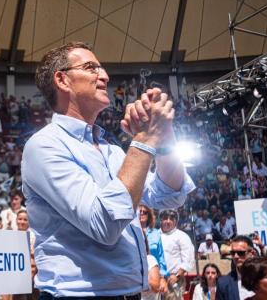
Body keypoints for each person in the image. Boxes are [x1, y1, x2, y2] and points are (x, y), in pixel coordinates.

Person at [22, 42, 194, 297]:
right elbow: (104, 225)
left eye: (101, 68)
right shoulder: (44, 146)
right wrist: (144, 141)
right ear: (62, 79)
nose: (104, 75)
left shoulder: (111, 150)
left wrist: (165, 140)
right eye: (91, 67)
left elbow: (169, 195)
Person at [160, 209, 195, 300]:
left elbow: (188, 260)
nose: (168, 221)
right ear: (161, 220)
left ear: (175, 222)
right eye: (165, 218)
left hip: (174, 279)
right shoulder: (154, 235)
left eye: (171, 219)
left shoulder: (182, 236)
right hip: (156, 280)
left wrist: (177, 276)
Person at [216, 235, 257, 300]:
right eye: (233, 253)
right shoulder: (223, 283)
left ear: (252, 253)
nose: (236, 256)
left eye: (241, 253)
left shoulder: (265, 277)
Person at [139, 205, 168, 277]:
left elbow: (161, 257)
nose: (141, 213)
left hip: (154, 274)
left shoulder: (156, 233)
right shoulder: (130, 233)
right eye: (139, 212)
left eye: (145, 212)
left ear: (149, 215)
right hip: (136, 274)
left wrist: (162, 275)